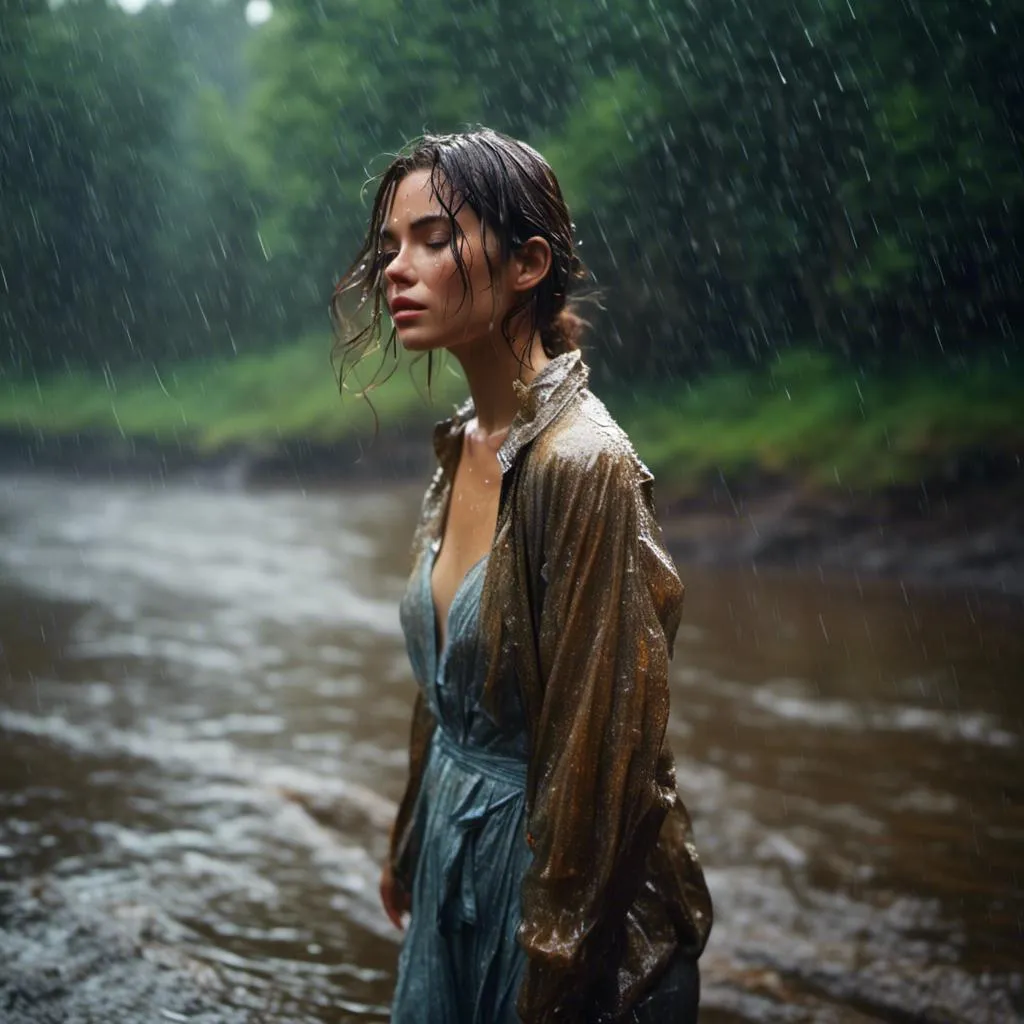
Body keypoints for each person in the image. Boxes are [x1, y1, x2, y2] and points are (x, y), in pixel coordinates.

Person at [331, 129, 712, 1024]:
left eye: (433, 239)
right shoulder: (458, 443)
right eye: (391, 245)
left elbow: (600, 755)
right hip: (456, 867)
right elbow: (446, 689)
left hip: (558, 902)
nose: (396, 268)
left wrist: (555, 966)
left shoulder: (584, 467)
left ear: (529, 262)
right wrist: (411, 838)